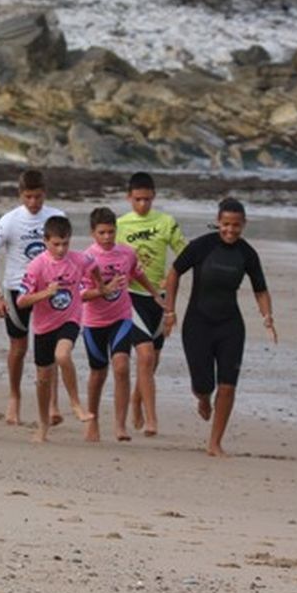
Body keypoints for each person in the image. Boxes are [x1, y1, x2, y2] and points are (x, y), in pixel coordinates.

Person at [162, 198, 276, 458]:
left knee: (227, 386)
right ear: (218, 222)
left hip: (230, 326)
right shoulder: (202, 246)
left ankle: (215, 442)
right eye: (226, 224)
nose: (230, 230)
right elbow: (174, 273)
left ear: (244, 224)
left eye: (236, 225)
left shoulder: (247, 253)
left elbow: (260, 289)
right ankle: (203, 398)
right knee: (203, 385)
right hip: (198, 323)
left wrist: (267, 315)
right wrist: (170, 311)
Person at [0, 170, 71, 426]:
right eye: (28, 197)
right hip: (17, 290)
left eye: (38, 196)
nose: (33, 202)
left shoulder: (57, 216)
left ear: (45, 193)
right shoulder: (9, 221)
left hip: (49, 289)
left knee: (51, 347)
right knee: (19, 348)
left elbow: (66, 254)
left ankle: (52, 404)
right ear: (20, 194)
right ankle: (14, 397)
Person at [80, 207, 161, 443]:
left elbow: (137, 273)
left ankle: (120, 425)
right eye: (102, 233)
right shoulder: (86, 259)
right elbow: (81, 295)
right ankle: (92, 420)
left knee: (122, 366)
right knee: (98, 373)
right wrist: (103, 290)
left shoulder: (126, 253)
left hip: (121, 318)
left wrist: (155, 294)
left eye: (111, 232)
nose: (107, 237)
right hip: (94, 322)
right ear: (93, 233)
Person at [116, 172, 187, 436]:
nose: (142, 204)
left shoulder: (166, 222)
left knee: (152, 361)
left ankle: (136, 400)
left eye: (147, 199)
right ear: (129, 197)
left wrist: (172, 278)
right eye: (137, 199)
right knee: (144, 356)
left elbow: (185, 253)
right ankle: (151, 419)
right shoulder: (120, 225)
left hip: (159, 298)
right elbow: (107, 256)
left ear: (154, 196)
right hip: (132, 296)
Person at [15, 216, 96, 444]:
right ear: (46, 241)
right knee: (43, 380)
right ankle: (43, 424)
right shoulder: (37, 265)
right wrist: (45, 293)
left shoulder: (78, 259)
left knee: (62, 355)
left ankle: (75, 403)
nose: (61, 249)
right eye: (56, 244)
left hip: (70, 319)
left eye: (65, 243)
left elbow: (94, 267)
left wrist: (101, 287)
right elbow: (21, 300)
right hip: (43, 327)